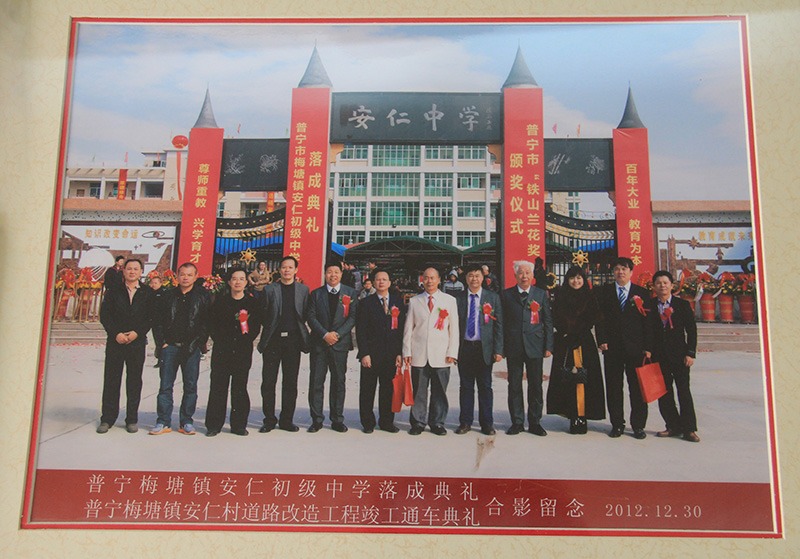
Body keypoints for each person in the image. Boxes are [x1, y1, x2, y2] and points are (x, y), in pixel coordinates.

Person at [150, 262, 211, 435]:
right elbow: (157, 321)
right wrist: (162, 342)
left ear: (196, 276)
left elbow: (206, 323)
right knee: (165, 386)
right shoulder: (167, 296)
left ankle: (186, 421)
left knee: (190, 386)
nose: (185, 278)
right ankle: (163, 421)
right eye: (182, 274)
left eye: (189, 275)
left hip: (191, 348)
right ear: (177, 276)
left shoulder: (203, 296)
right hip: (170, 347)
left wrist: (197, 343)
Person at [594, 256, 651, 439]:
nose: (620, 272)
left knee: (637, 389)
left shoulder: (641, 293)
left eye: (624, 269)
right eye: (617, 269)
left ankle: (638, 426)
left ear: (631, 272)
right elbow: (599, 318)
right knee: (613, 388)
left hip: (636, 349)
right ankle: (617, 424)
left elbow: (648, 322)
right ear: (613, 272)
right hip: (612, 347)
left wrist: (648, 346)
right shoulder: (604, 292)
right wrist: (601, 339)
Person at [545, 266, 605, 434]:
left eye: (579, 278)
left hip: (584, 342)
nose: (576, 281)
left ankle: (583, 415)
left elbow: (596, 318)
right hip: (565, 342)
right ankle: (572, 414)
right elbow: (555, 318)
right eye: (572, 278)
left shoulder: (590, 296)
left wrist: (581, 332)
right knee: (567, 379)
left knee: (585, 379)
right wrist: (565, 333)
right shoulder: (561, 296)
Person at [97, 258, 152, 434]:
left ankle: (131, 419)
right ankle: (107, 418)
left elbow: (150, 317)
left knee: (134, 381)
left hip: (136, 343)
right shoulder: (114, 291)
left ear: (141, 271)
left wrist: (137, 332)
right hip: (116, 342)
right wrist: (116, 333)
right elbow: (105, 315)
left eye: (136, 269)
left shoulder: (147, 292)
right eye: (129, 269)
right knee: (112, 380)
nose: (132, 272)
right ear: (124, 271)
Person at [205, 268, 262, 437]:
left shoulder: (252, 303)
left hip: (242, 350)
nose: (238, 282)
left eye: (241, 279)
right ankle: (214, 425)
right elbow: (212, 325)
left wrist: (245, 339)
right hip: (222, 350)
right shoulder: (219, 302)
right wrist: (220, 340)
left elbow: (255, 327)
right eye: (234, 279)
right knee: (218, 387)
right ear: (229, 282)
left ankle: (238, 425)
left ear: (246, 282)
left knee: (239, 388)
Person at [402, 267, 459, 436]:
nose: (429, 281)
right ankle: (418, 422)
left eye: (432, 278)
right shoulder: (415, 301)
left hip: (441, 354)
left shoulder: (449, 300)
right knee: (419, 391)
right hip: (419, 352)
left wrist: (452, 352)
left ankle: (437, 422)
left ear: (439, 280)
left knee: (439, 391)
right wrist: (407, 351)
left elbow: (454, 329)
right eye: (426, 278)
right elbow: (408, 328)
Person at [256, 255, 310, 433]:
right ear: (279, 270)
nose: (287, 270)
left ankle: (287, 420)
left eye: (290, 267)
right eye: (284, 267)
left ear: (296, 270)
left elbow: (305, 314)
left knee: (290, 383)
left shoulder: (303, 290)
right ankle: (269, 420)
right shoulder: (270, 289)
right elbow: (262, 314)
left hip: (293, 342)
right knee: (268, 382)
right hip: (273, 341)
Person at [644, 270, 699, 442]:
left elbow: (691, 330)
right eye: (658, 283)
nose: (662, 286)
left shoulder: (682, 305)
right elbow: (646, 331)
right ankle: (673, 425)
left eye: (665, 283)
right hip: (659, 356)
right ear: (654, 286)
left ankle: (689, 429)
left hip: (680, 356)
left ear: (672, 285)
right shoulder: (649, 305)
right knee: (664, 393)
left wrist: (690, 353)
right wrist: (647, 349)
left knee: (684, 392)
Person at [501, 260, 554, 436]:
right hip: (514, 346)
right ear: (515, 275)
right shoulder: (506, 295)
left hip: (535, 346)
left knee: (536, 385)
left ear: (532, 275)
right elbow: (502, 323)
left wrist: (548, 345)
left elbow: (547, 320)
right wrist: (501, 348)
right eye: (521, 273)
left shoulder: (540, 294)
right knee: (514, 385)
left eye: (527, 273)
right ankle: (517, 422)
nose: (524, 276)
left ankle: (535, 422)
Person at [306, 262, 359, 433]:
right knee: (316, 382)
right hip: (319, 344)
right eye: (329, 272)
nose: (333, 275)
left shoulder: (350, 293)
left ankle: (337, 419)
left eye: (336, 272)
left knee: (338, 382)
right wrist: (324, 334)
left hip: (339, 344)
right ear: (325, 274)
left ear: (341, 274)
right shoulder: (316, 294)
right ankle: (317, 419)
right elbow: (311, 316)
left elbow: (352, 317)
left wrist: (337, 334)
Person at [455, 264, 503, 435]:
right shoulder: (458, 298)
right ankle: (465, 422)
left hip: (485, 349)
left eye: (477, 276)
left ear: (483, 278)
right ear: (466, 278)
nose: (474, 279)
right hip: (465, 348)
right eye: (470, 276)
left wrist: (498, 350)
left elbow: (498, 325)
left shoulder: (492, 297)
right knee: (465, 387)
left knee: (485, 387)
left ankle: (487, 423)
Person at [355, 269, 405, 433]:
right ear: (373, 283)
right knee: (367, 390)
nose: (381, 282)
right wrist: (364, 353)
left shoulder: (397, 302)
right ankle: (367, 422)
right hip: (371, 354)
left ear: (390, 283)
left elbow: (401, 330)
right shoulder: (366, 303)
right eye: (378, 279)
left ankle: (386, 422)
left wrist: (399, 353)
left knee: (388, 390)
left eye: (384, 279)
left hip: (391, 354)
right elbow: (361, 330)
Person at [148, 273, 167, 368]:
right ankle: (160, 358)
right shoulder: (150, 293)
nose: (154, 285)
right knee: (157, 340)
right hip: (154, 321)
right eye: (152, 283)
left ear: (160, 283)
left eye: (156, 283)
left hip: (162, 321)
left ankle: (162, 359)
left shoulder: (164, 293)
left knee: (162, 341)